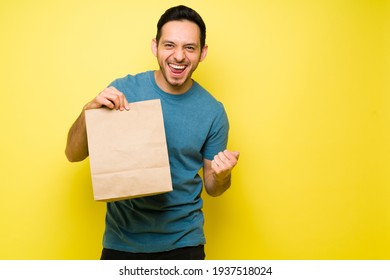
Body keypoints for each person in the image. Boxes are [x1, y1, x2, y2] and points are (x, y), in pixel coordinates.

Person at [65, 5, 239, 260]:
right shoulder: (123, 90)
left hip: (184, 244)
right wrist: (88, 110)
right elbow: (73, 154)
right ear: (155, 46)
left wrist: (222, 175)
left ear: (202, 52)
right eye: (169, 45)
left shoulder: (213, 111)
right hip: (121, 242)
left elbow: (213, 187)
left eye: (189, 48)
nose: (179, 56)